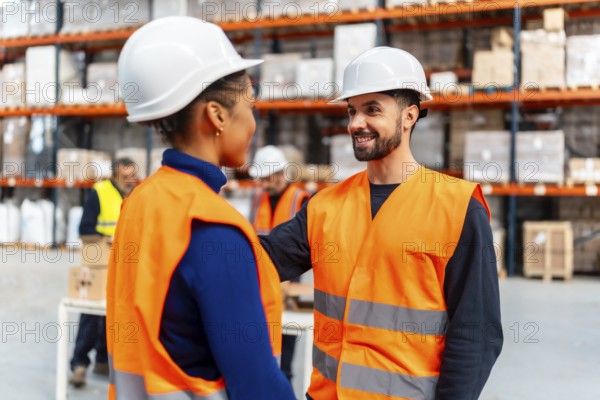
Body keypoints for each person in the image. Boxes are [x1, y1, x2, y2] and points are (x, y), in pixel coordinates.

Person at [260, 46, 503, 400]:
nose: (356, 123)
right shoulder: (325, 206)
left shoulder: (457, 208)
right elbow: (259, 260)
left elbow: (476, 335)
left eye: (372, 109)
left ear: (409, 116)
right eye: (352, 111)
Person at [106, 17, 295, 400]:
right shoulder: (213, 226)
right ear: (217, 116)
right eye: (251, 105)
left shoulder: (141, 202)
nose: (254, 121)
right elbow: (257, 386)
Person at [69, 157, 137, 388]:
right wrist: (108, 239)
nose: (129, 181)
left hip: (122, 264)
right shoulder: (100, 192)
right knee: (91, 315)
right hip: (99, 261)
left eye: (131, 176)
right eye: (125, 177)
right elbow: (85, 228)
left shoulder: (134, 195)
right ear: (114, 174)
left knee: (114, 316)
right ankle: (79, 363)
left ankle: (101, 359)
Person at [249, 145, 311, 382]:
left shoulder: (300, 199)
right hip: (261, 283)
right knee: (263, 354)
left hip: (289, 286)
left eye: (267, 178)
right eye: (261, 179)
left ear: (280, 173)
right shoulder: (257, 198)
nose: (263, 184)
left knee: (285, 359)